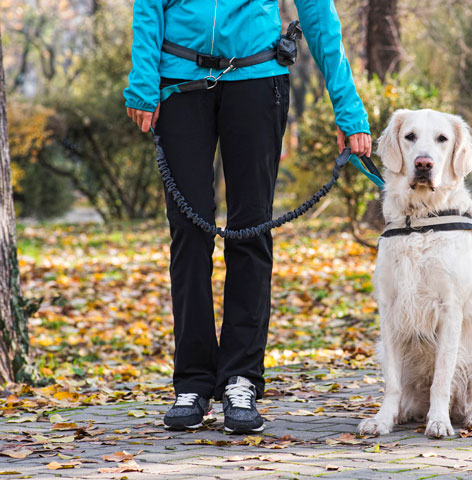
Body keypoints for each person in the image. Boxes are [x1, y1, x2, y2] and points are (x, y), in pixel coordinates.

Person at [123, 0, 371, 434]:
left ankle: (241, 380)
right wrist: (143, 77)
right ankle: (193, 384)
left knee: (250, 231)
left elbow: (318, 16)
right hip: (178, 83)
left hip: (258, 82)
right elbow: (148, 5)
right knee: (188, 232)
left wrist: (348, 108)